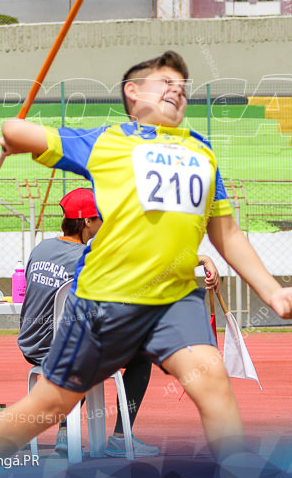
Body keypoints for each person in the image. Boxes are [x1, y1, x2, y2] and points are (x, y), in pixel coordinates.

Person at [0, 51, 292, 459]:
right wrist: (12, 131)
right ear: (132, 93)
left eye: (183, 87)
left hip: (175, 299)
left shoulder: (202, 152)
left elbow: (226, 233)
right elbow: (25, 134)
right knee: (49, 405)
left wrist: (272, 292)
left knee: (213, 384)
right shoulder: (109, 141)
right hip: (106, 299)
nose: (177, 90)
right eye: (165, 82)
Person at [19, 186, 223, 457]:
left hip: (31, 346)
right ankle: (118, 437)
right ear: (87, 221)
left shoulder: (41, 248)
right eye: (101, 217)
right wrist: (201, 259)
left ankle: (67, 432)